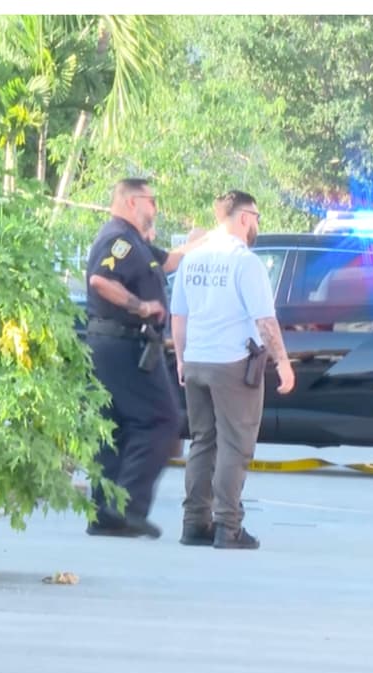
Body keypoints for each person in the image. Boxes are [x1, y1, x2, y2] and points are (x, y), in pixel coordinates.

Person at [170, 191, 294, 550]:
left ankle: (194, 523)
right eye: (255, 216)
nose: (256, 224)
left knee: (203, 442)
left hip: (196, 361)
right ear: (243, 217)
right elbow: (264, 319)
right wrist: (283, 362)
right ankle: (228, 527)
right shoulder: (245, 262)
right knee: (234, 446)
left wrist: (181, 359)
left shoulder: (192, 259)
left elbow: (180, 316)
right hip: (231, 364)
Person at [83, 178, 202, 538]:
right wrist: (141, 305)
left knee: (116, 426)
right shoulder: (118, 239)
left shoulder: (135, 243)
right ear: (133, 202)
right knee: (162, 420)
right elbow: (101, 281)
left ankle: (106, 515)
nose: (156, 209)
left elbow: (171, 261)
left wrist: (208, 237)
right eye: (152, 201)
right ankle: (129, 508)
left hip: (117, 344)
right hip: (121, 344)